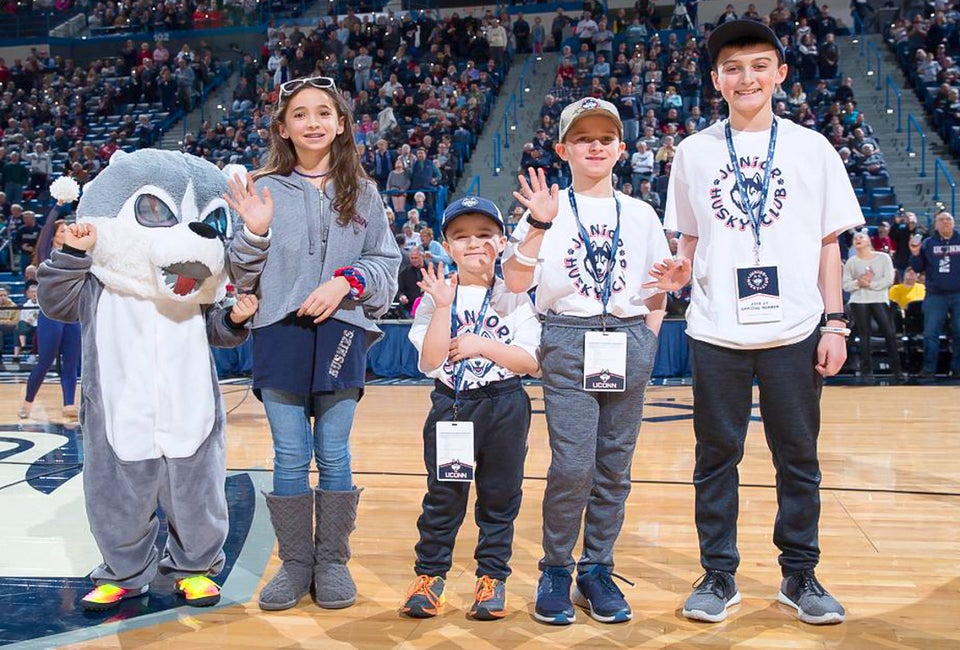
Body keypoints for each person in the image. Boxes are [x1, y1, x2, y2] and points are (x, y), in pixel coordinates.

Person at [661, 21, 862, 626]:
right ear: (716, 80)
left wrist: (835, 324)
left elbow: (831, 245)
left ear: (779, 73)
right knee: (715, 456)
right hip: (717, 328)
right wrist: (679, 270)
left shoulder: (813, 148)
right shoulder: (694, 152)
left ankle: (799, 573)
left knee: (797, 456)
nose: (745, 77)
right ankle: (718, 573)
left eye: (757, 65)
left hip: (797, 328)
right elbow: (689, 239)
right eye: (732, 68)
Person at [225, 74, 402, 612]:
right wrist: (254, 232)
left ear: (342, 123)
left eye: (323, 112)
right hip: (279, 332)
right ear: (283, 127)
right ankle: (295, 563)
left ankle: (332, 563)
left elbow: (388, 266)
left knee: (333, 452)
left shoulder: (364, 191)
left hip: (342, 331)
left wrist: (347, 281)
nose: (313, 122)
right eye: (300, 114)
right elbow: (238, 270)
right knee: (289, 455)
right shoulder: (264, 188)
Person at [503, 97, 674, 625]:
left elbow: (657, 288)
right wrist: (536, 224)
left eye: (606, 137)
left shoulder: (642, 213)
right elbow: (513, 281)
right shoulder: (545, 209)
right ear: (563, 149)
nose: (595, 145)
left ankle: (596, 569)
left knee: (614, 469)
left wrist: (647, 341)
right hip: (569, 336)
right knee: (573, 465)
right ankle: (556, 566)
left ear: (622, 149)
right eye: (583, 138)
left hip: (627, 338)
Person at [402, 196, 540, 620]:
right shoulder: (436, 295)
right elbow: (429, 361)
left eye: (484, 235)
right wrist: (443, 306)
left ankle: (492, 577)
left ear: (501, 242)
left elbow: (530, 363)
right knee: (444, 497)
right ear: (446, 245)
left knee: (500, 496)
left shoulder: (514, 296)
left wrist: (483, 345)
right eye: (461, 237)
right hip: (453, 406)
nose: (474, 244)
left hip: (505, 404)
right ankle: (429, 577)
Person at [18, 213, 82, 421]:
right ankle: (27, 402)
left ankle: (69, 405)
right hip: (50, 314)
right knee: (45, 362)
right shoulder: (47, 254)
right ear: (54, 236)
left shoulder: (76, 254)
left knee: (71, 362)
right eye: (62, 230)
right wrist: (58, 206)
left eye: (67, 230)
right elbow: (45, 231)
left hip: (72, 315)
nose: (66, 232)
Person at [843, 230, 902, 380]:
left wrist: (869, 284)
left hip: (879, 299)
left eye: (861, 237)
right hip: (858, 301)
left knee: (889, 333)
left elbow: (888, 279)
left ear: (869, 240)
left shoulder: (884, 258)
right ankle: (866, 372)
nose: (858, 239)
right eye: (855, 238)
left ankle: (897, 371)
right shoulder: (851, 262)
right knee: (864, 336)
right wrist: (859, 283)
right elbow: (846, 285)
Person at [908, 211, 960, 377]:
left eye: (948, 219)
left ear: (954, 222)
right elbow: (917, 268)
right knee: (931, 333)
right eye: (941, 220)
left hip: (958, 294)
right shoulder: (928, 243)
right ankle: (929, 370)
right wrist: (915, 254)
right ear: (936, 225)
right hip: (935, 295)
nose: (945, 222)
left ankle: (957, 369)